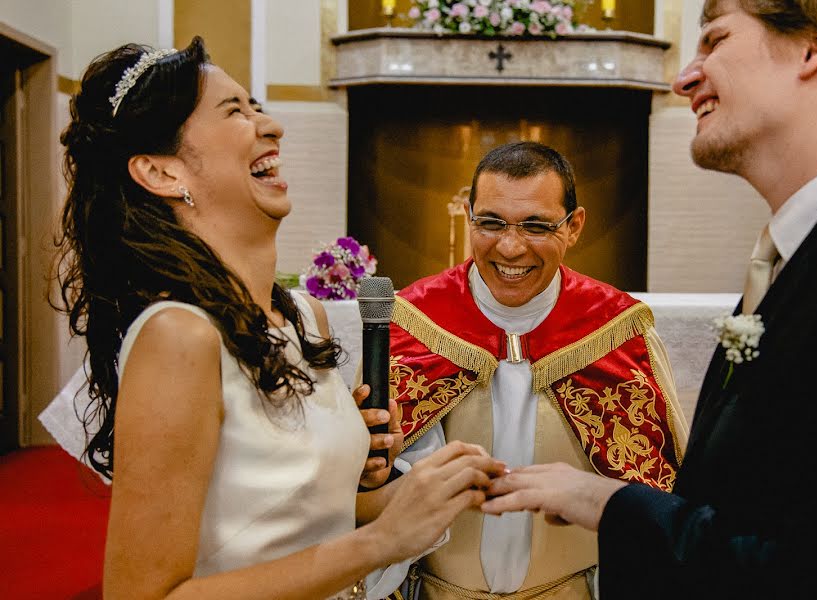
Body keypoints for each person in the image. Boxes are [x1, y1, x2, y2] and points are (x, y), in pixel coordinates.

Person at [53, 37, 506, 599]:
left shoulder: (304, 319)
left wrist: (420, 494)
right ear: (162, 172)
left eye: (256, 105)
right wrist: (381, 541)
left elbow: (308, 523)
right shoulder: (179, 336)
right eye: (234, 112)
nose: (271, 126)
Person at [482, 1, 817, 598]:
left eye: (715, 40)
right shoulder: (815, 251)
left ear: (813, 48)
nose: (684, 78)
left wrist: (613, 503)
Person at [368, 141, 690, 599]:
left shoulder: (615, 333)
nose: (511, 247)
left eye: (536, 226)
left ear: (574, 226)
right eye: (491, 222)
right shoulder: (413, 326)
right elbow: (370, 489)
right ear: (469, 215)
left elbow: (652, 497)